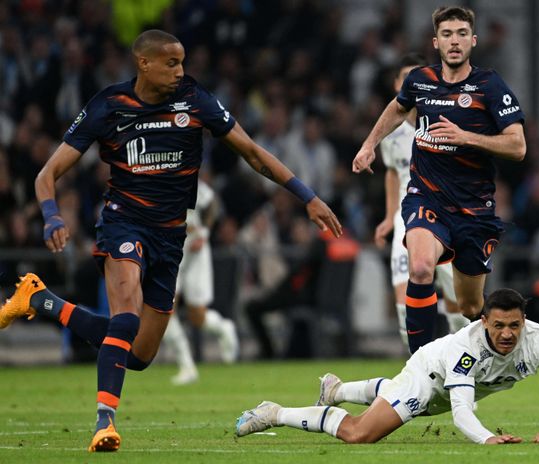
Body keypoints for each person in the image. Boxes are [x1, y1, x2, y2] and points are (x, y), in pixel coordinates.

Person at [0, 30, 341, 452]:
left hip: (171, 234)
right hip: (123, 224)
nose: (181, 71)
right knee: (124, 319)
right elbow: (46, 174)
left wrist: (307, 197)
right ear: (144, 64)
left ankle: (39, 300)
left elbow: (251, 152)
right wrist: (52, 216)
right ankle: (104, 422)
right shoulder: (109, 105)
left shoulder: (196, 101)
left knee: (139, 354)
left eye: (182, 62)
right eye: (171, 63)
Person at [353, 6, 526, 354]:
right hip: (426, 198)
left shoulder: (489, 85)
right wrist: (370, 144)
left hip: (473, 208)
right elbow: (397, 107)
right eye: (447, 34)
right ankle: (420, 365)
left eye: (462, 33)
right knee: (419, 269)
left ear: (473, 41)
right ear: (436, 42)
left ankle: (502, 352)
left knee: (469, 306)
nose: (455, 41)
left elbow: (518, 145)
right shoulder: (419, 80)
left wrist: (467, 137)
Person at [234, 288, 539, 445]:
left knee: (392, 396)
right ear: (484, 323)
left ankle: (337, 391)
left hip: (446, 391)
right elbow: (462, 411)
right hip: (427, 378)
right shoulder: (467, 348)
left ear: (524, 322)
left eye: (514, 325)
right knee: (361, 434)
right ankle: (275, 412)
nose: (508, 334)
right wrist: (487, 439)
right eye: (499, 326)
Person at [374, 52, 469, 350]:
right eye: (405, 77)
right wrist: (390, 217)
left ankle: (462, 362)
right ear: (396, 84)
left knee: (458, 304)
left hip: (443, 216)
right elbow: (392, 172)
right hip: (407, 218)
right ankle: (418, 371)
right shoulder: (389, 130)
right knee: (406, 298)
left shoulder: (445, 120)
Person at [162, 178, 239, 386]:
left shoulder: (183, 174)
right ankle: (186, 366)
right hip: (168, 247)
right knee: (165, 308)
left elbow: (212, 202)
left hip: (194, 245)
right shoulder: (148, 178)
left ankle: (224, 327)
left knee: (197, 316)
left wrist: (204, 232)